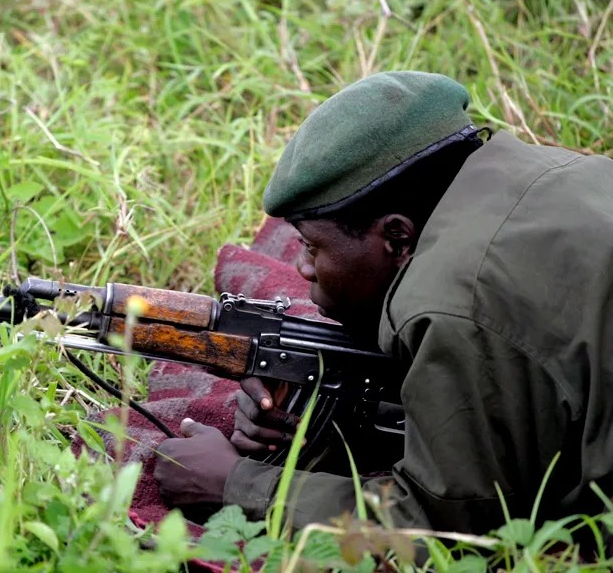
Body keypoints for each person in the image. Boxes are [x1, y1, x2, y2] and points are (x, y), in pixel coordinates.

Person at [153, 71, 613, 547]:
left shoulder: (449, 307)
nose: (303, 268)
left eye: (313, 247)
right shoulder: (566, 169)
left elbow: (444, 531)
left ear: (396, 237)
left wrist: (234, 484)